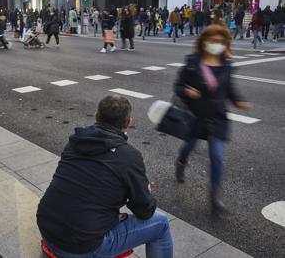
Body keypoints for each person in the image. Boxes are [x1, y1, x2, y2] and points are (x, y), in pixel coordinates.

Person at [37, 95, 173, 258]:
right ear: (129, 122)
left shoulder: (74, 142)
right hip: (82, 247)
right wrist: (145, 190)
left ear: (96, 116)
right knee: (161, 223)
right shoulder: (129, 156)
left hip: (47, 229)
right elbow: (145, 211)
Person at [174, 25, 251, 214]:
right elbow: (177, 86)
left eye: (220, 41)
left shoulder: (226, 65)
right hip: (195, 116)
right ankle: (181, 163)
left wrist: (238, 101)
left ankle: (215, 197)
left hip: (217, 118)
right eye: (213, 41)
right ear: (204, 41)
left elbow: (229, 89)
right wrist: (186, 90)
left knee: (217, 157)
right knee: (189, 146)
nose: (216, 44)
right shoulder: (193, 62)